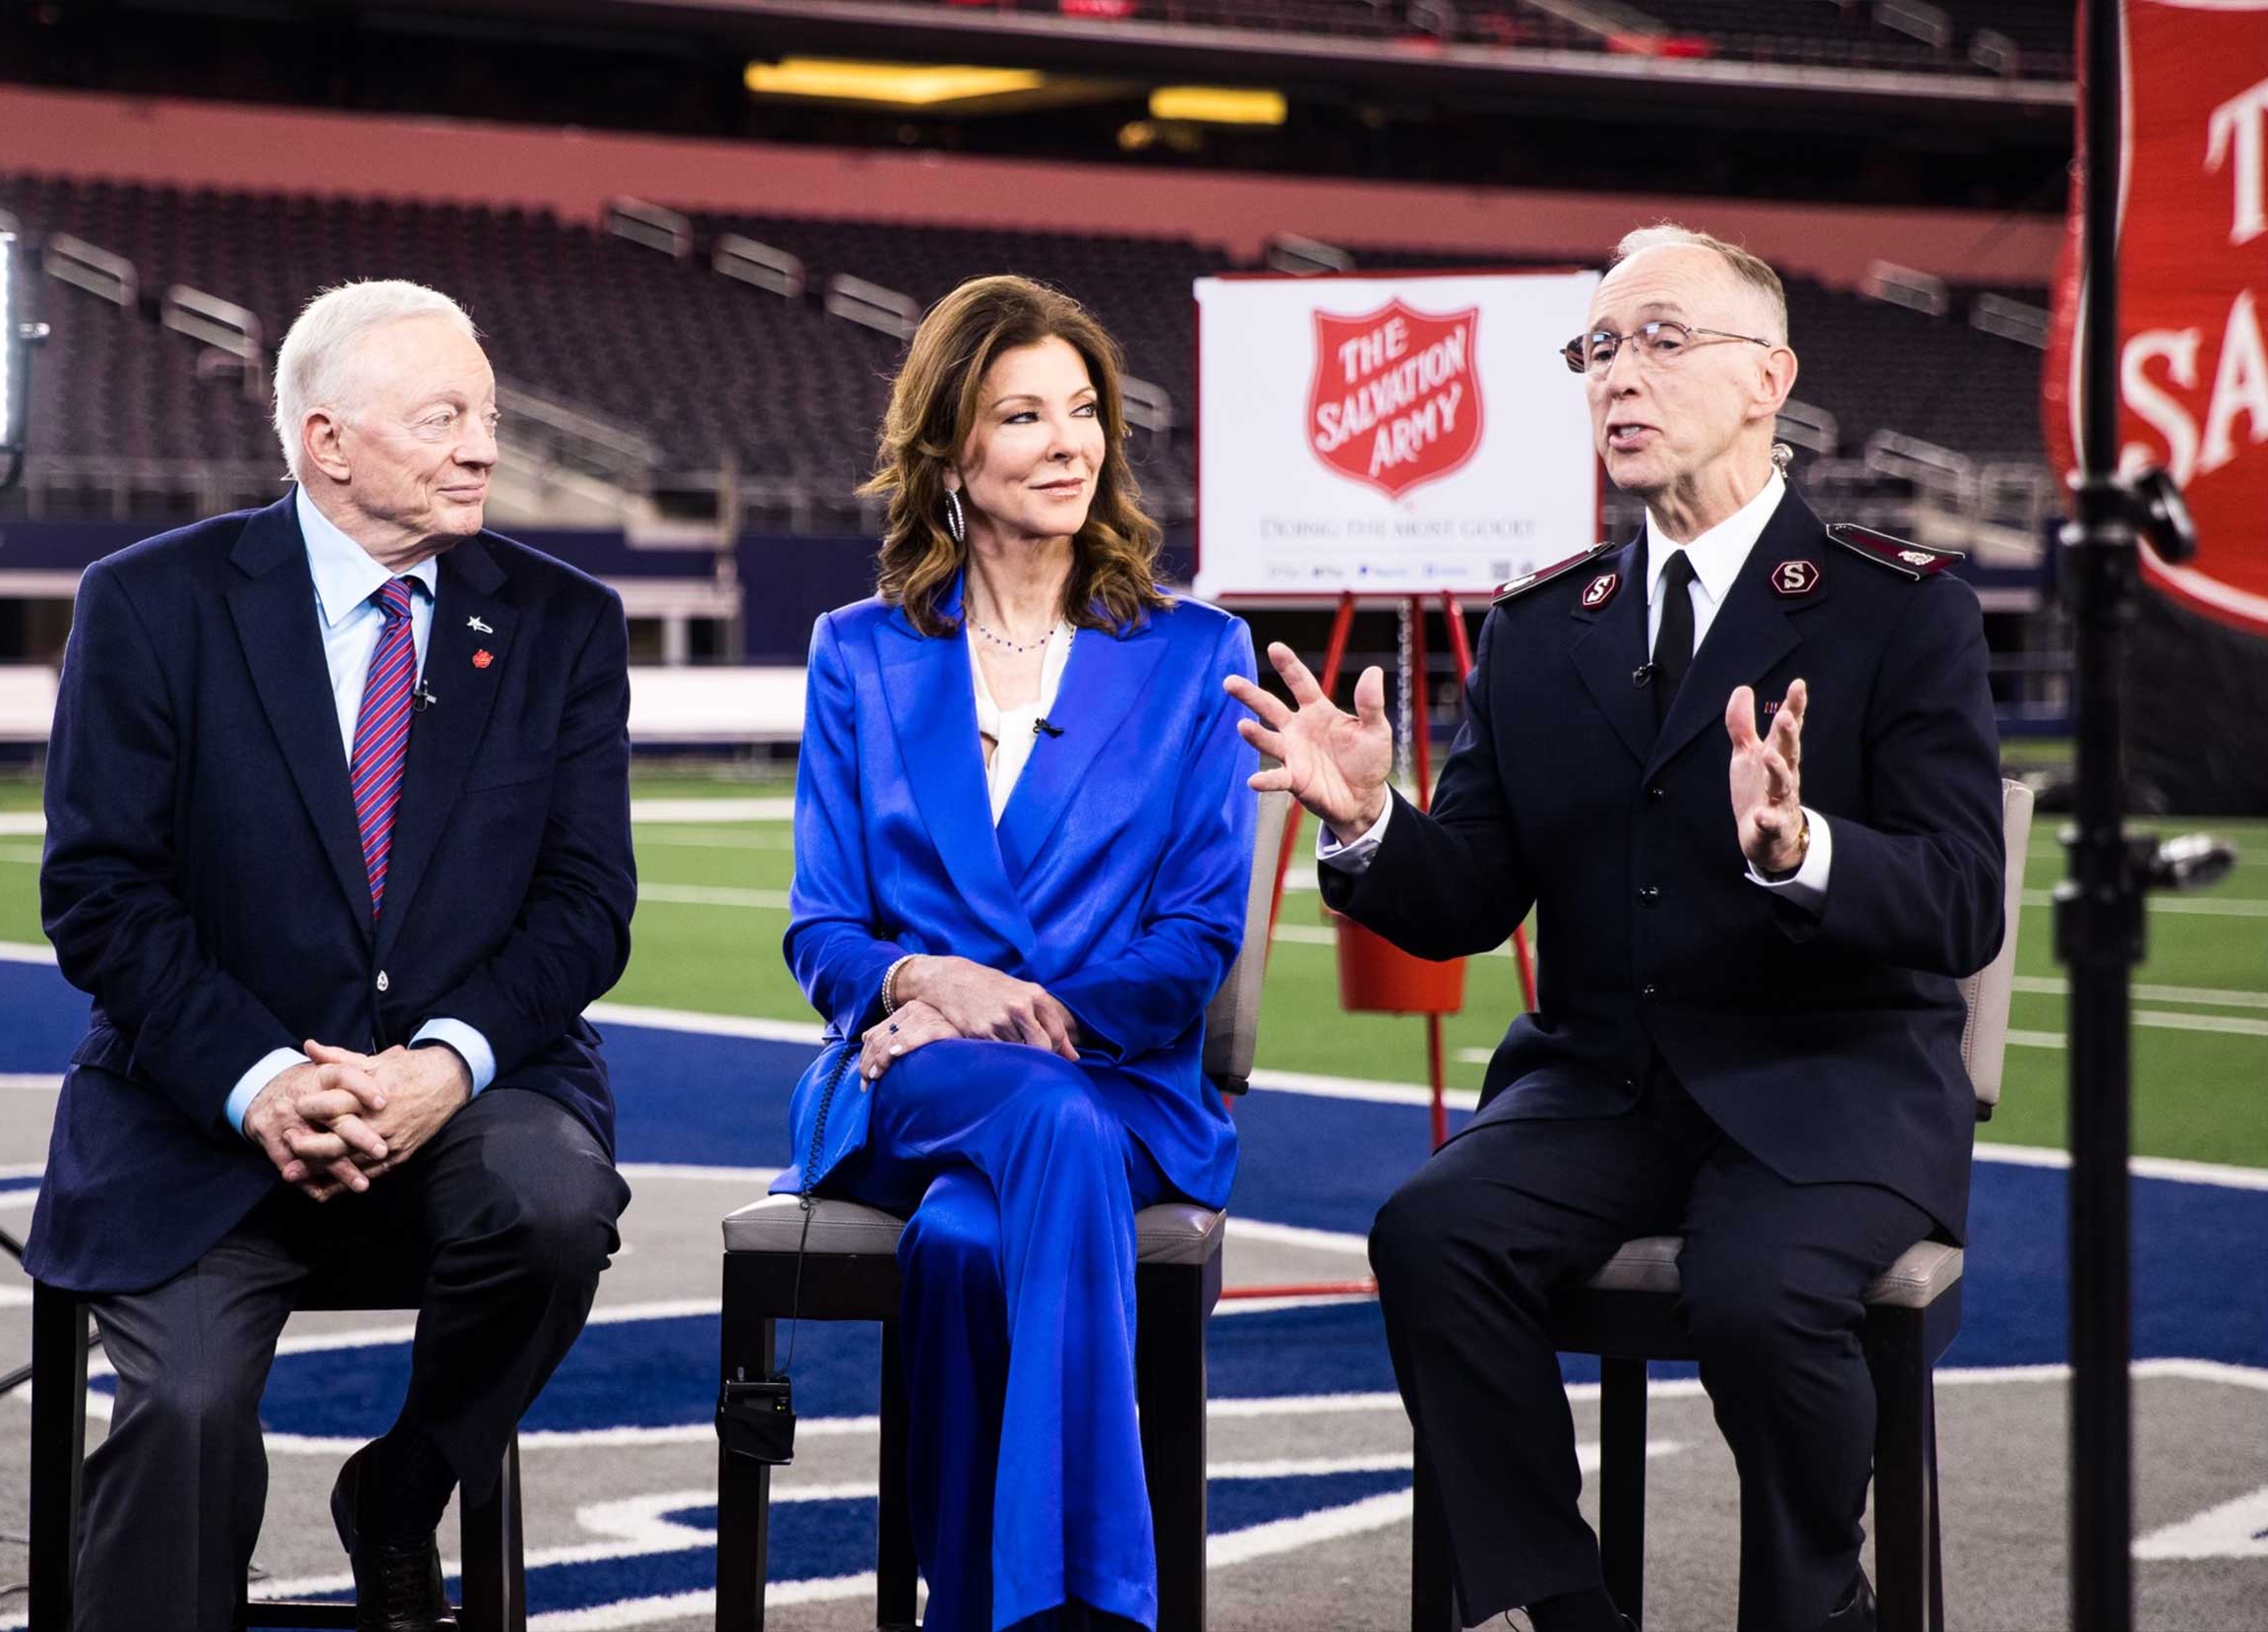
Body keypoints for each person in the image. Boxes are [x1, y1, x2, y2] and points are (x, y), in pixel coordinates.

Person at [1225, 225, 2005, 1632]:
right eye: (1595, 350)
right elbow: (1466, 897)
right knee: (1428, 1233)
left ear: (1770, 378)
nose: (1614, 378)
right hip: (1601, 1091)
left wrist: (1803, 847)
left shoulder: (1902, 614)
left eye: (1658, 339)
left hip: (1829, 1092)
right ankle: (1569, 1614)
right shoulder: (1542, 628)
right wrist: (1368, 824)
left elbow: (1959, 901)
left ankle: (1814, 1610)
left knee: (1761, 1300)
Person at [27, 279, 637, 1632]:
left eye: (486, 413)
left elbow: (587, 906)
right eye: (445, 416)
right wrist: (258, 1080)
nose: (484, 445)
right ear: (326, 441)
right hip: (201, 1110)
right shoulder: (147, 604)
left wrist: (442, 1064)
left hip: (470, 1094)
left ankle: (402, 1490)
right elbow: (101, 894)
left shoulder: (562, 622)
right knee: (183, 1409)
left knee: (553, 1210)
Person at [777, 273, 1257, 1631]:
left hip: (1119, 1084)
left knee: (968, 1241)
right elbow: (824, 929)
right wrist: (922, 983)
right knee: (1038, 1134)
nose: (1069, 442)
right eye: (1023, 414)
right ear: (950, 453)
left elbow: (1195, 941)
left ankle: (971, 1607)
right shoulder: (859, 656)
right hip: (905, 1076)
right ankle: (1086, 1604)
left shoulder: (1193, 658)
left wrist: (1005, 1009)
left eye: (1086, 410)